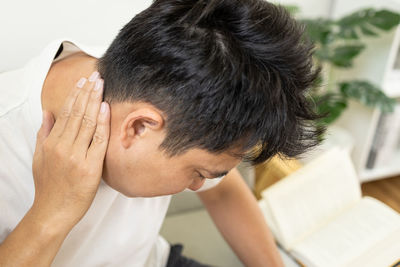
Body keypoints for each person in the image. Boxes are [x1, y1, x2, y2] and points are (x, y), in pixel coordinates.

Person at [0, 0, 325, 266]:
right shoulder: (7, 136)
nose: (200, 184)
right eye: (197, 173)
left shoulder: (170, 87)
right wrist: (51, 213)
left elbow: (224, 192)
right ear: (139, 127)